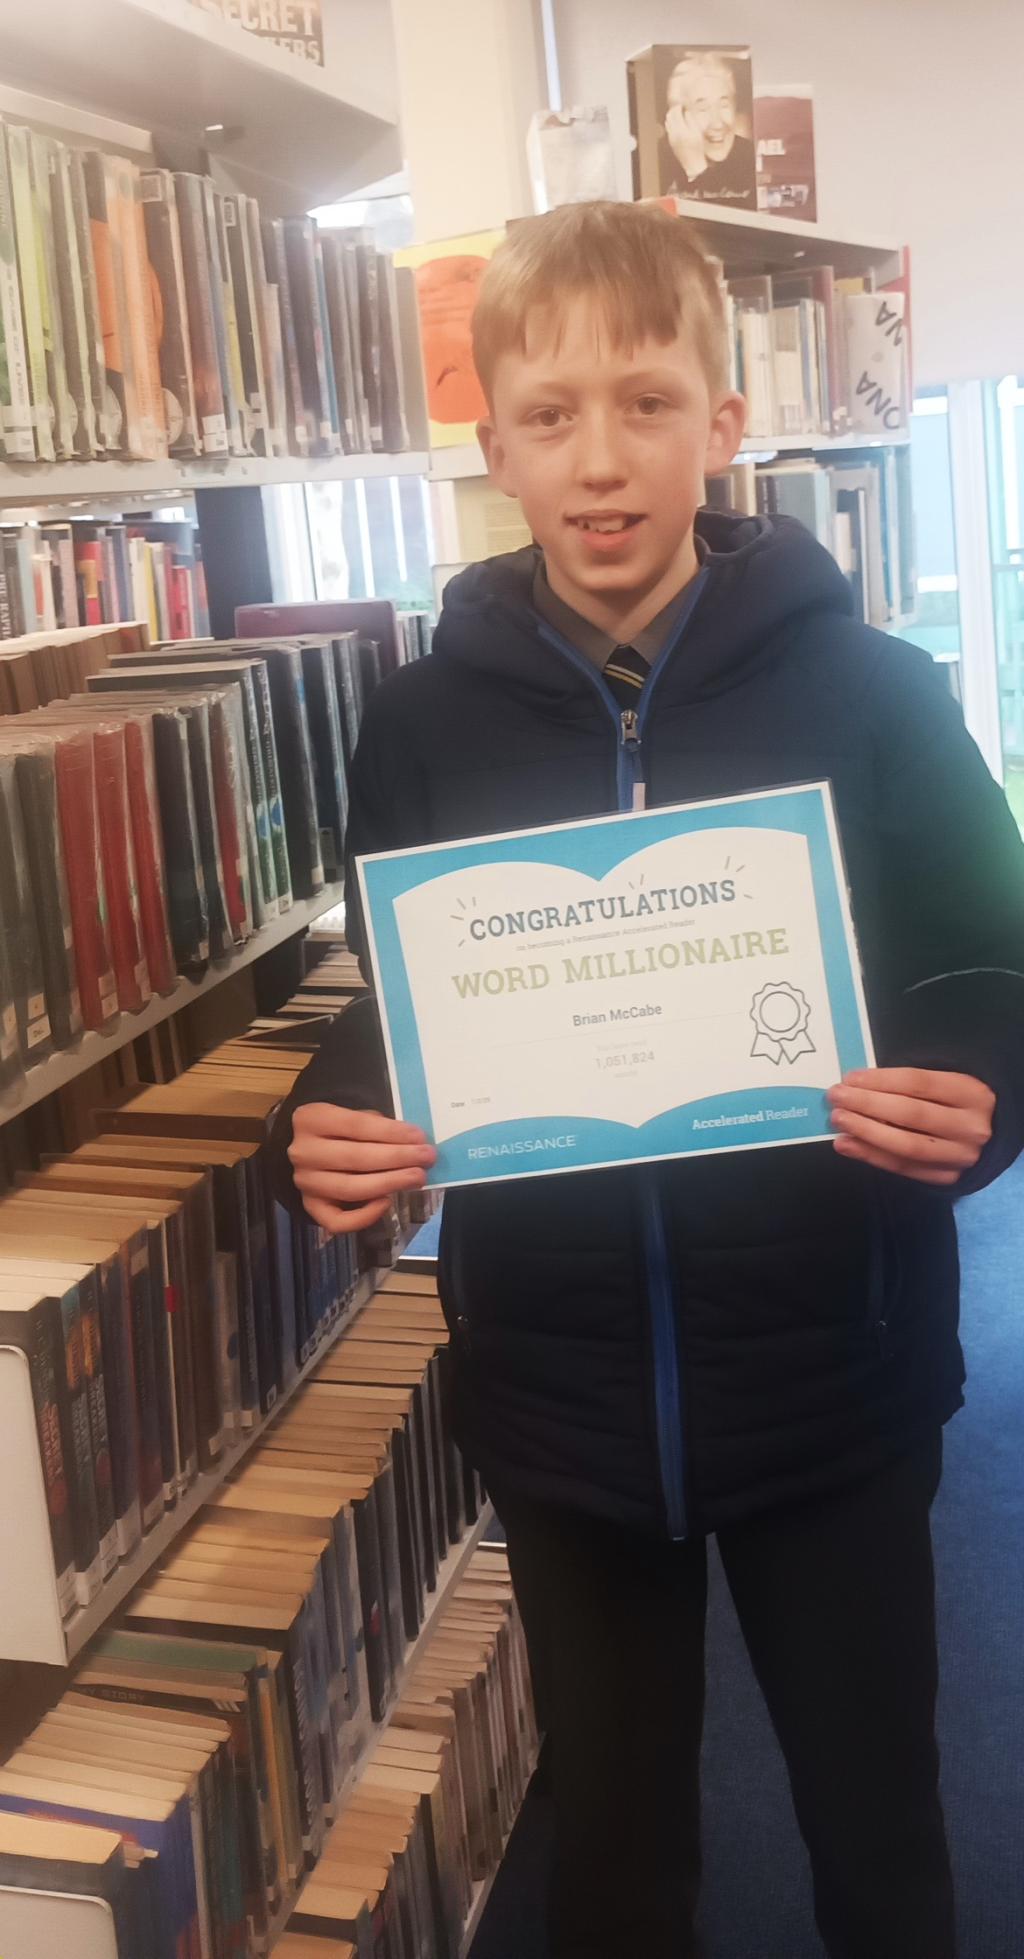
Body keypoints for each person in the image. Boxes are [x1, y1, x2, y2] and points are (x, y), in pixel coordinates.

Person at [267, 200, 1024, 1959]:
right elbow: (400, 989)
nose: (599, 460)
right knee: (612, 1842)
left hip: (833, 1371)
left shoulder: (873, 690)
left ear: (720, 423)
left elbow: (990, 962)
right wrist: (342, 1111)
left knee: (877, 1820)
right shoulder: (420, 722)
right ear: (495, 448)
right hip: (559, 1389)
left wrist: (976, 1083)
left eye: (646, 403)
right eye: (550, 415)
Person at [659, 51, 756, 204]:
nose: (717, 123)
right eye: (703, 109)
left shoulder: (750, 157)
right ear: (677, 117)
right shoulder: (659, 164)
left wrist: (698, 172)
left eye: (724, 105)